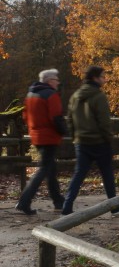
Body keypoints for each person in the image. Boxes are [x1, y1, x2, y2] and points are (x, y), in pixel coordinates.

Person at [62, 66, 119, 216]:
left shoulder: (75, 96)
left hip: (81, 142)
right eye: (102, 76)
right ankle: (114, 205)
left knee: (79, 175)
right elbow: (104, 122)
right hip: (99, 142)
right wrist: (108, 139)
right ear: (95, 78)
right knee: (107, 175)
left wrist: (75, 137)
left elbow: (70, 120)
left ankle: (67, 205)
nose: (104, 79)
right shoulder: (99, 96)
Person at [15, 69, 67, 215]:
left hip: (36, 136)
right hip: (49, 136)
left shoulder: (30, 94)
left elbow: (25, 116)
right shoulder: (51, 95)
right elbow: (56, 117)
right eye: (56, 79)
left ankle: (58, 201)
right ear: (50, 80)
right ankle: (24, 201)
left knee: (51, 168)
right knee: (44, 169)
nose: (58, 82)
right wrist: (64, 131)